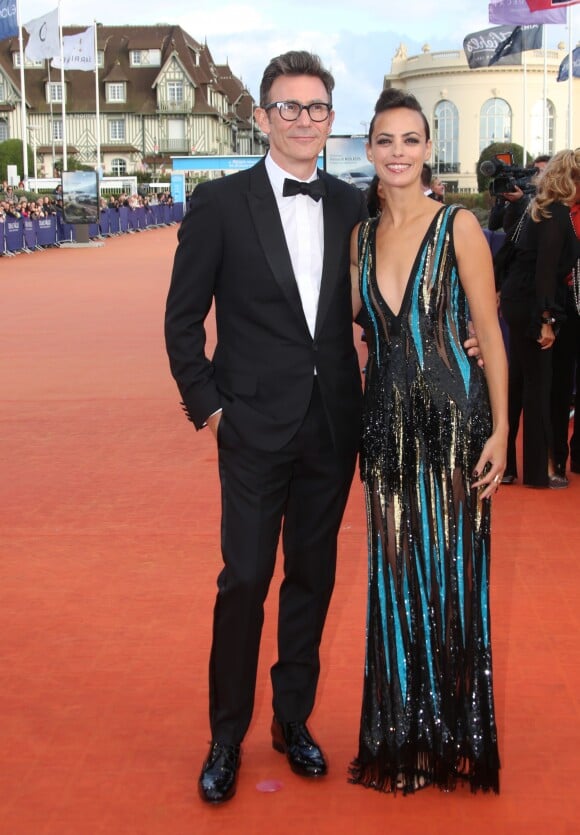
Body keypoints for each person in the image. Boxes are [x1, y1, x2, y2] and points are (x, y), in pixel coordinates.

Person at [165, 50, 368, 805]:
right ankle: (226, 734)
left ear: (329, 118)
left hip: (331, 424)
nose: (305, 119)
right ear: (261, 116)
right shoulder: (219, 204)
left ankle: (292, 718)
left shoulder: (353, 206)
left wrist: (461, 333)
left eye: (317, 107)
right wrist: (212, 408)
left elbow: (375, 307)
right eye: (289, 106)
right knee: (245, 579)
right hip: (250, 426)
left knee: (312, 578)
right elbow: (182, 320)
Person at [348, 88, 507, 794]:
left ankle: (450, 737)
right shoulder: (357, 237)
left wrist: (503, 427)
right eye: (386, 140)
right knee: (394, 581)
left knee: (449, 580)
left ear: (426, 149)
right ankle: (405, 734)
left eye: (411, 140)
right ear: (369, 149)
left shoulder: (459, 227)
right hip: (383, 427)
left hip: (451, 428)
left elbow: (490, 331)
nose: (399, 152)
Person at [500, 149, 580, 489]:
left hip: (518, 300)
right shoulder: (557, 215)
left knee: (518, 381)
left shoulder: (538, 210)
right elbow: (546, 271)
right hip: (533, 305)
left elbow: (510, 253)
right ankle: (540, 470)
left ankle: (507, 466)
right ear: (572, 180)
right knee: (539, 385)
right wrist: (546, 320)